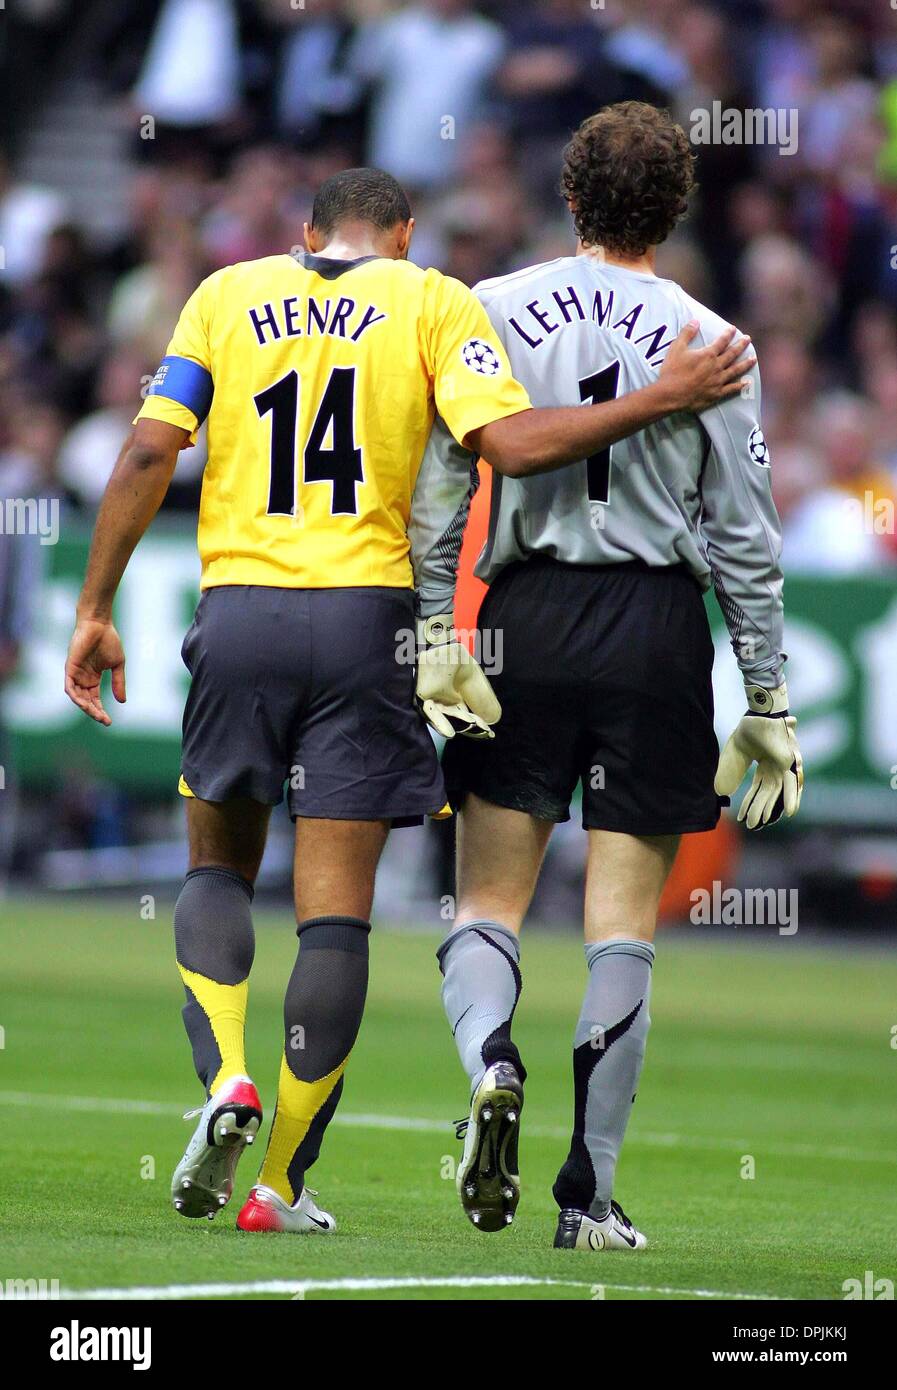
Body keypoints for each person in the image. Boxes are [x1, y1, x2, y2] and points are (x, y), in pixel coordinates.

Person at [64, 165, 752, 1237]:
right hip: (364, 623)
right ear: (401, 233)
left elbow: (151, 446)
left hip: (241, 608)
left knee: (214, 867)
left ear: (306, 233)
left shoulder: (223, 293)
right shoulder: (430, 298)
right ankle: (283, 1188)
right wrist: (665, 394)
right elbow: (508, 447)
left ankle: (226, 1082)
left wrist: (95, 603)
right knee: (335, 918)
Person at [412, 103, 803, 1249]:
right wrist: (769, 695)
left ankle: (492, 1062)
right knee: (620, 925)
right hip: (654, 629)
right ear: (677, 207)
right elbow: (747, 537)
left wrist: (438, 624)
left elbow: (445, 490)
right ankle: (589, 1200)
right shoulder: (714, 339)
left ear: (571, 195)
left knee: (486, 898)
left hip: (524, 615)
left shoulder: (487, 307)